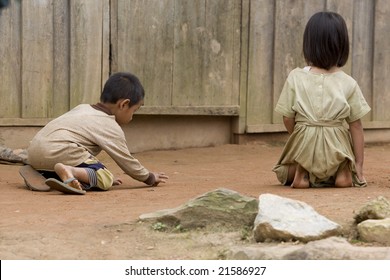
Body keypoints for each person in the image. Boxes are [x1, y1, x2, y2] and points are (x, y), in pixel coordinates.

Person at [272, 11, 371, 188]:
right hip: (337, 149)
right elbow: (356, 126)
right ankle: (342, 172)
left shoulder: (296, 77)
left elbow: (287, 117)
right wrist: (359, 165)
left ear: (308, 44)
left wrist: (301, 137)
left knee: (285, 171)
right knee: (341, 159)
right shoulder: (348, 82)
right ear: (342, 46)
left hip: (305, 144)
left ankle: (303, 171)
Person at [26, 72, 168, 193]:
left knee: (74, 167)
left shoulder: (82, 108)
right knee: (105, 177)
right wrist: (149, 177)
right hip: (61, 150)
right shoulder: (109, 125)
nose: (132, 116)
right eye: (134, 110)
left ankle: (42, 172)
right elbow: (126, 161)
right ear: (124, 104)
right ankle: (72, 172)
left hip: (33, 152)